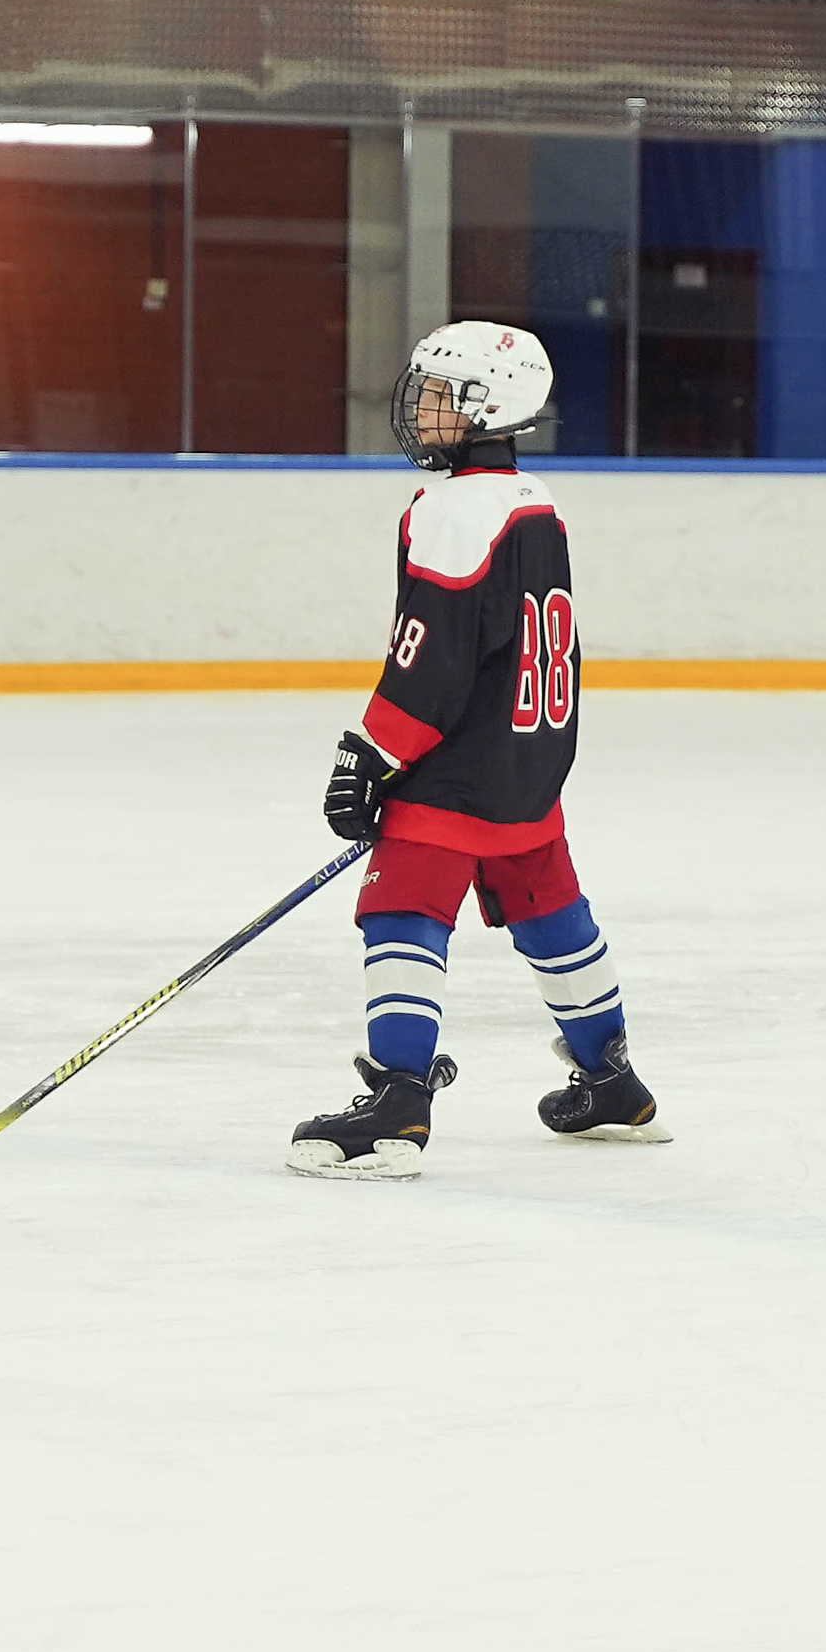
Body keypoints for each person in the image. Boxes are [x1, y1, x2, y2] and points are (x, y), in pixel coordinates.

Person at [289, 321, 672, 1180]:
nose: (418, 410)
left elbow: (432, 657)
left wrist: (370, 754)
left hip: (458, 763)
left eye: (438, 396)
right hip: (532, 756)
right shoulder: (536, 501)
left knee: (402, 910)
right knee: (551, 912)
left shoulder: (453, 510)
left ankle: (398, 1102)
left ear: (486, 409)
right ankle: (613, 1079)